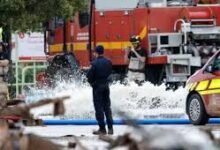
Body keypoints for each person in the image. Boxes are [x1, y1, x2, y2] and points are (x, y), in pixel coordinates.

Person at [87, 45, 113, 135]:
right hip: (106, 86)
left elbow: (89, 76)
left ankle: (102, 129)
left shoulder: (94, 64)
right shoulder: (108, 62)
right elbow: (110, 73)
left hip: (97, 87)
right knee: (107, 107)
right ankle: (110, 128)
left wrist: (92, 83)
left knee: (99, 108)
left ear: (96, 53)